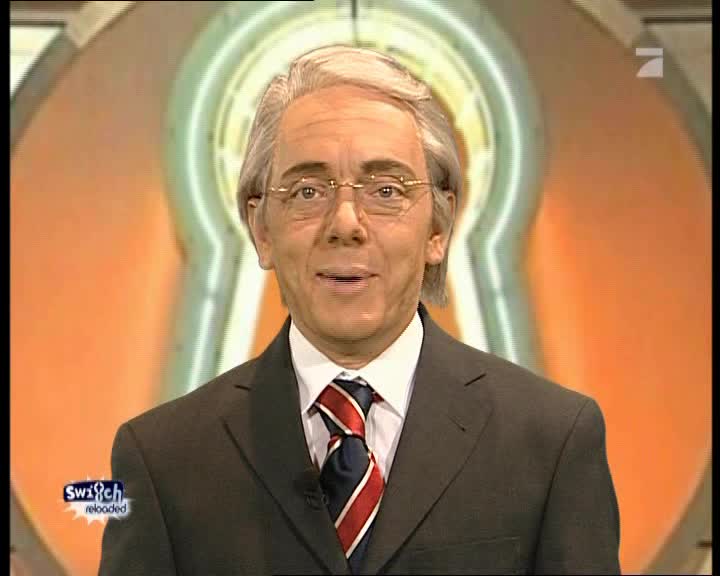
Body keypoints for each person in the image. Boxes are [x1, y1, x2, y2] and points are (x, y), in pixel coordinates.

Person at [99, 45, 620, 575]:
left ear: (438, 228)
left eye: (386, 190)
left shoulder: (553, 441)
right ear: (261, 229)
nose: (345, 223)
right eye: (307, 191)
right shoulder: (161, 460)